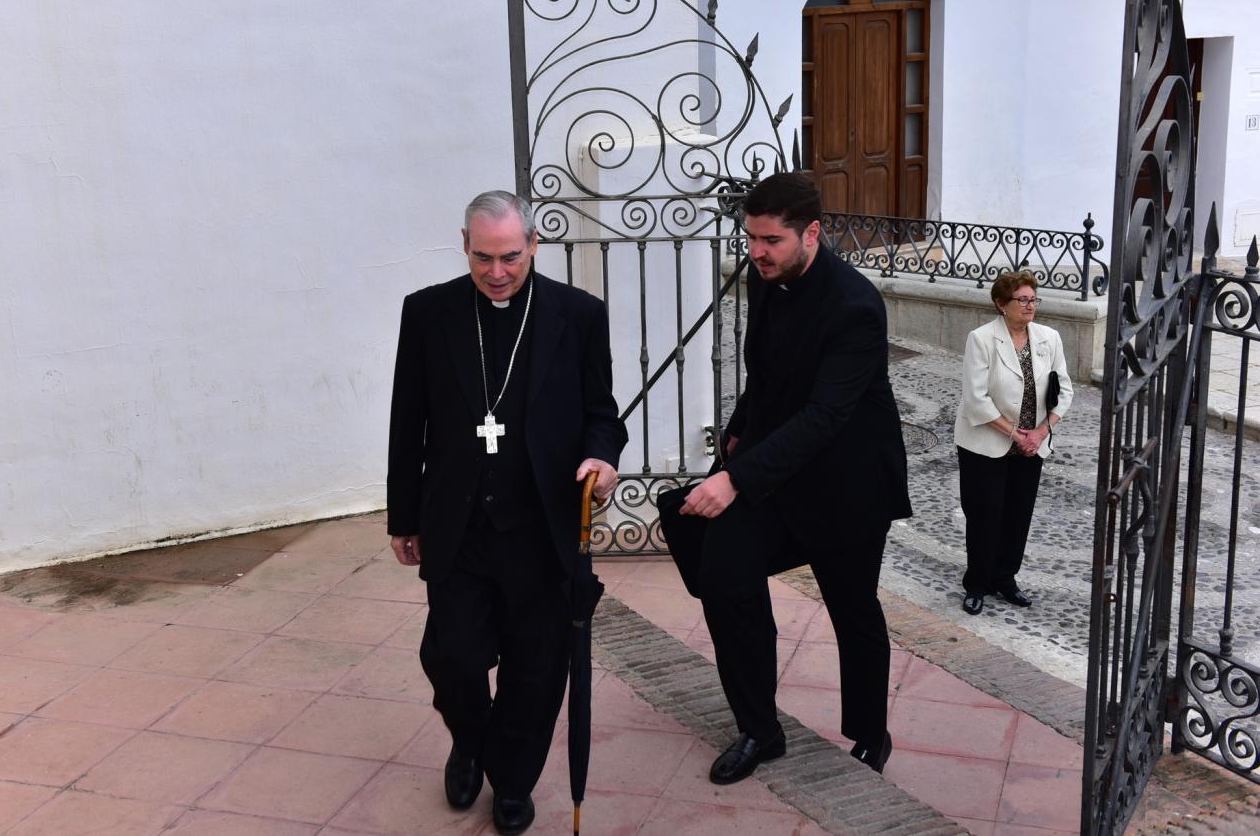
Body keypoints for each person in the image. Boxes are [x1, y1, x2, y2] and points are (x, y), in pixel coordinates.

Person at [387, 190, 627, 836]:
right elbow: (408, 421)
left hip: (542, 528)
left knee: (537, 666)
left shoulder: (578, 315)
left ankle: (512, 779)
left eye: (511, 257)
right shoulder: (430, 313)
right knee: (454, 658)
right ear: (464, 244)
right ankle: (472, 741)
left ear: (534, 246)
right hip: (458, 525)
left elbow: (602, 414)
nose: (497, 271)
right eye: (484, 257)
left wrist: (602, 459)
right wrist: (402, 516)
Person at [662, 171, 911, 785]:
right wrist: (738, 434)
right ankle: (759, 729)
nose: (756, 252)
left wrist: (736, 481)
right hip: (774, 467)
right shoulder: (764, 278)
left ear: (813, 234)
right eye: (750, 238)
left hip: (849, 484)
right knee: (723, 576)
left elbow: (826, 416)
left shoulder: (856, 306)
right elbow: (766, 375)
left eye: (770, 240)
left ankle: (871, 735)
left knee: (852, 609)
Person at [953, 271, 1073, 616]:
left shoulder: (1049, 338)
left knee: (1018, 515)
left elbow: (1064, 391)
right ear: (1001, 304)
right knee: (983, 516)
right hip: (986, 441)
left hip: (1033, 443)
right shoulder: (982, 339)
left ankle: (1005, 579)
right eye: (1022, 300)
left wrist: (1040, 432)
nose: (1030, 305)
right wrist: (1014, 432)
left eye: (1033, 299)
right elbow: (975, 399)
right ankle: (976, 583)